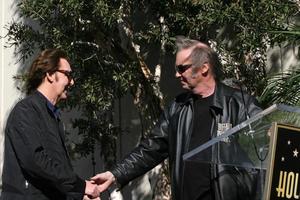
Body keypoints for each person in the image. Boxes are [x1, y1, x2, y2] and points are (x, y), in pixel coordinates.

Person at [91, 36, 262, 200]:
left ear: (204, 68)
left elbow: (263, 151)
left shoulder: (239, 104)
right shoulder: (177, 108)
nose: (177, 75)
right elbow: (151, 148)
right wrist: (115, 174)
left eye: (182, 68)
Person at [1, 49, 100, 200]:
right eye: (68, 74)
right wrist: (81, 186)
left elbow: (55, 173)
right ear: (49, 74)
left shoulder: (53, 116)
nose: (72, 82)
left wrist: (78, 195)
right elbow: (36, 161)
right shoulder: (26, 110)